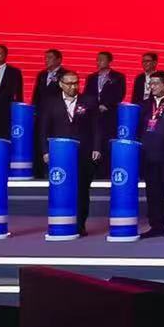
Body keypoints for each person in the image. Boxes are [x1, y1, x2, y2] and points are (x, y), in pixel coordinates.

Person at [38, 68, 102, 234]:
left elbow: (97, 127)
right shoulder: (50, 102)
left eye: (76, 83)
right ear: (61, 84)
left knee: (82, 190)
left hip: (83, 152)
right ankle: (60, 222)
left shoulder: (89, 101)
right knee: (61, 188)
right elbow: (44, 129)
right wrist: (45, 151)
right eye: (69, 84)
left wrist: (96, 147)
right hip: (59, 154)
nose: (73, 87)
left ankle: (80, 224)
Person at [134, 71, 164, 238]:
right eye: (150, 83)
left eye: (155, 83)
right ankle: (156, 225)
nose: (151, 87)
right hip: (149, 154)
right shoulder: (144, 105)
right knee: (153, 191)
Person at [87, 51, 125, 128]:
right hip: (94, 112)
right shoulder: (91, 77)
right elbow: (87, 94)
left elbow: (120, 94)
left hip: (110, 112)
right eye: (97, 60)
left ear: (109, 61)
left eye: (101, 60)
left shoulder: (118, 77)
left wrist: (107, 105)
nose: (98, 62)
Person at [33, 49, 66, 114]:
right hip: (41, 111)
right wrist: (34, 108)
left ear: (59, 60)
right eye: (45, 58)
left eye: (50, 57)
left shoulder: (65, 74)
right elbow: (36, 94)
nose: (46, 60)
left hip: (57, 111)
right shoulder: (42, 74)